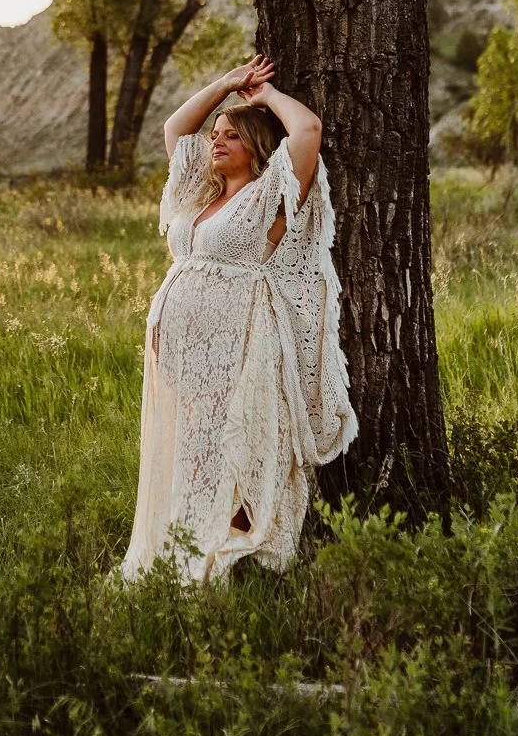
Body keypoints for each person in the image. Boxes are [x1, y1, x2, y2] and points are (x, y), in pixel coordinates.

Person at [119, 56, 357, 584]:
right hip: (187, 357)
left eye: (230, 135)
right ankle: (189, 542)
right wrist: (225, 84)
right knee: (195, 452)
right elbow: (175, 127)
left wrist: (262, 94)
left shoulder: (270, 196)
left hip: (241, 344)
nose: (215, 142)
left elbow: (307, 129)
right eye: (216, 136)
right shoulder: (196, 196)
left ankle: (237, 556)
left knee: (239, 442)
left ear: (255, 146)